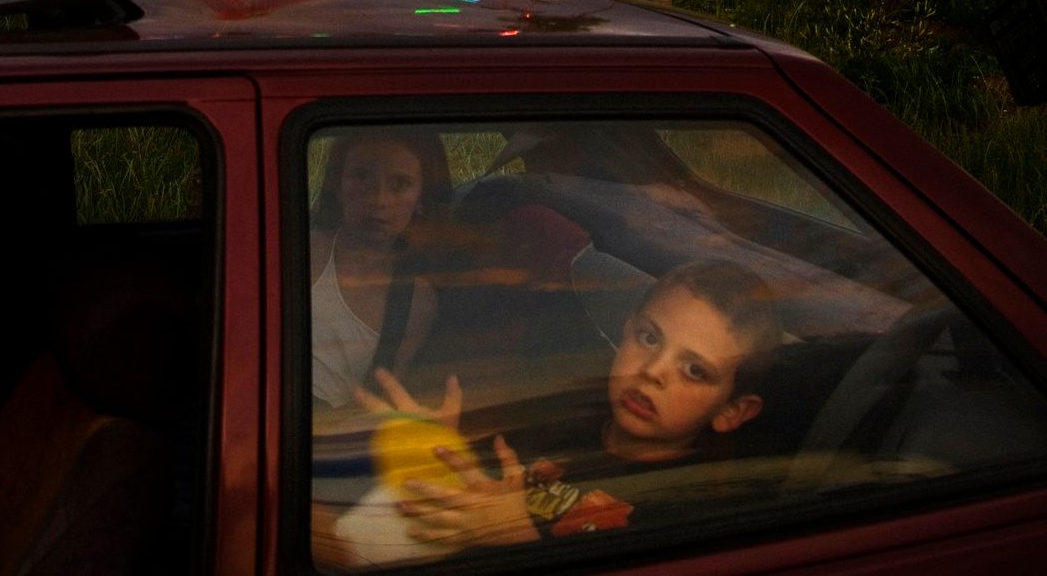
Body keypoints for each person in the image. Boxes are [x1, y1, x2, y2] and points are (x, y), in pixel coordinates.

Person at [346, 260, 781, 558]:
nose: (652, 371)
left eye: (693, 370)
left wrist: (515, 536)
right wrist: (445, 448)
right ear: (627, 329)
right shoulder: (562, 424)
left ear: (732, 411)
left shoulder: (691, 512)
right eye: (649, 338)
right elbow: (488, 494)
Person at [307, 129, 452, 409]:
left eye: (400, 184)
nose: (379, 200)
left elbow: (379, 399)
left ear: (422, 198)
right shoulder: (304, 248)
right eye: (362, 177)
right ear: (337, 184)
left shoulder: (415, 299)